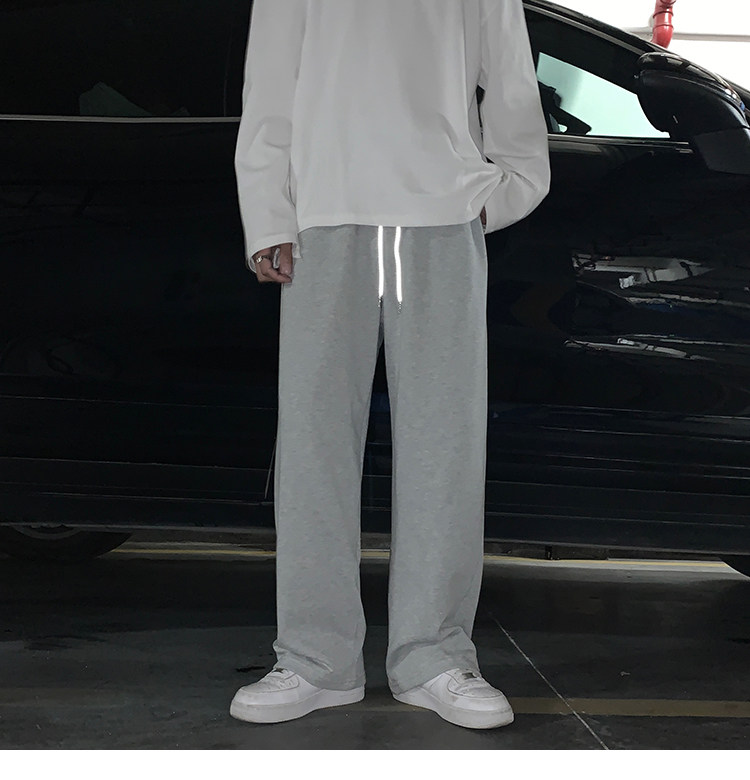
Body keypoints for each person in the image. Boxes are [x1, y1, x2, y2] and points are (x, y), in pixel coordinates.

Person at [230, 0, 550, 730]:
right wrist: (269, 213)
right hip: (322, 216)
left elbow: (510, 80)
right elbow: (269, 87)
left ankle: (435, 657)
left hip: (442, 219)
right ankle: (315, 659)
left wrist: (502, 190)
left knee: (445, 444)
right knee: (313, 443)